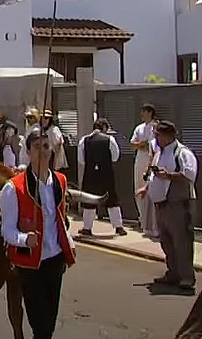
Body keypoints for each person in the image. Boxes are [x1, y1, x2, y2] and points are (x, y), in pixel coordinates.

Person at [0, 132, 76, 339]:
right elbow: (7, 231)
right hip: (31, 261)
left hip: (55, 258)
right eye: (36, 147)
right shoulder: (13, 188)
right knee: (39, 321)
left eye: (45, 146)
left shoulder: (60, 181)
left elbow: (60, 219)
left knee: (49, 320)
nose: (42, 152)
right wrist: (25, 239)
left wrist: (69, 240)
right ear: (28, 152)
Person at [139, 120, 198, 292]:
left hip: (177, 203)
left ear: (168, 135)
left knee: (182, 241)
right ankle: (173, 273)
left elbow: (189, 174)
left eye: (158, 134)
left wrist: (169, 176)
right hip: (161, 204)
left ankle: (186, 277)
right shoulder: (159, 152)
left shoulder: (182, 153)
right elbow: (153, 174)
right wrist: (146, 188)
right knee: (167, 241)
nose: (156, 138)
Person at [76, 118, 126, 237]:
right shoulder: (109, 139)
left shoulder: (84, 140)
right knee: (112, 199)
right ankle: (118, 227)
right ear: (104, 128)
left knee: (89, 201)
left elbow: (81, 160)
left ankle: (87, 228)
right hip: (106, 173)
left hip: (90, 174)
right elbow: (115, 156)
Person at [131, 103, 160, 238]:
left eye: (144, 112)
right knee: (139, 189)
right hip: (140, 160)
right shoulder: (139, 128)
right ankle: (142, 219)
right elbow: (133, 144)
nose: (142, 114)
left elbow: (152, 144)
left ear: (150, 112)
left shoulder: (156, 127)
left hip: (152, 160)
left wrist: (143, 144)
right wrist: (142, 144)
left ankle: (153, 225)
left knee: (151, 191)